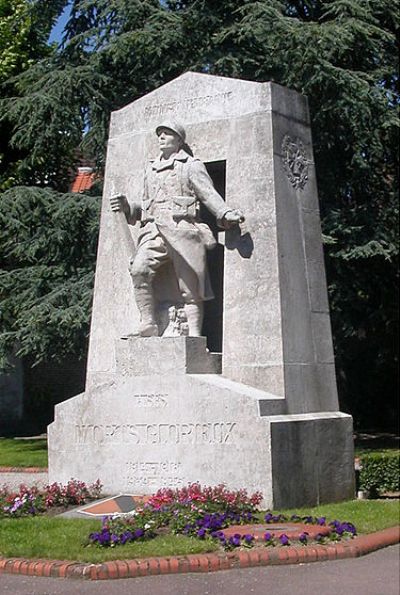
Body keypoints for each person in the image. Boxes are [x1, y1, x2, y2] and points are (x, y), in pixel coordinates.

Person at [110, 121, 244, 337]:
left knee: (190, 287)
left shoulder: (191, 165)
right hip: (153, 231)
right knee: (138, 270)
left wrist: (224, 212)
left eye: (167, 134)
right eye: (159, 134)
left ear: (179, 140)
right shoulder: (150, 168)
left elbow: (207, 193)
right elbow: (145, 204)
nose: (161, 138)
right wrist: (127, 207)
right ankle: (148, 322)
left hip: (183, 230)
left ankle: (193, 335)